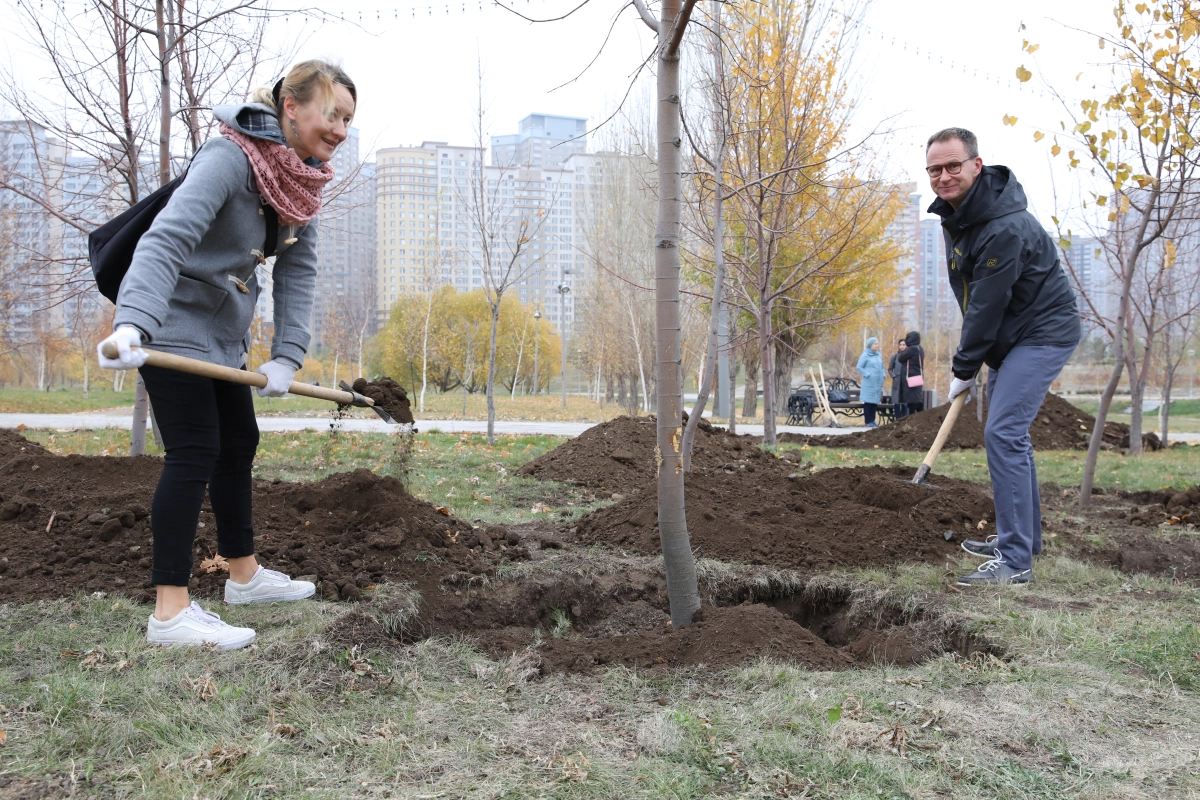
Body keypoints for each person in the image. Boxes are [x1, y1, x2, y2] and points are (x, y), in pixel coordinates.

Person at [97, 60, 357, 648]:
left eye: (348, 119)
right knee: (195, 450)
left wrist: (286, 356)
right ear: (291, 106)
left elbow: (300, 272)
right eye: (332, 113)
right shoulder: (229, 158)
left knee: (239, 442)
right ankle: (170, 613)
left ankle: (243, 577)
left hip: (223, 335)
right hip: (171, 323)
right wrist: (134, 322)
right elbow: (167, 238)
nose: (340, 128)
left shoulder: (304, 181)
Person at [925, 127, 1081, 586]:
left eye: (954, 165)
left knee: (1004, 433)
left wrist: (964, 367)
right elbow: (977, 300)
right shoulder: (965, 216)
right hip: (1013, 337)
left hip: (1042, 334)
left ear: (977, 164)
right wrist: (976, 359)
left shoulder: (1002, 226)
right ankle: (1024, 539)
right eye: (934, 169)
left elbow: (987, 304)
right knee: (1011, 435)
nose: (944, 176)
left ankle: (1014, 561)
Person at [855, 337, 885, 427]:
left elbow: (882, 367)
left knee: (874, 402)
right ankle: (868, 421)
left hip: (878, 383)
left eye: (877, 344)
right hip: (869, 383)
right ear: (870, 345)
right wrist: (868, 374)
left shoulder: (878, 355)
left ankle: (873, 420)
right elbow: (859, 367)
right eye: (875, 344)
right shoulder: (865, 355)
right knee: (868, 402)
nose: (877, 345)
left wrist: (883, 375)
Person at [894, 331, 925, 414]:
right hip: (918, 376)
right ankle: (921, 416)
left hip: (910, 377)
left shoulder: (912, 349)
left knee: (911, 399)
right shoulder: (920, 348)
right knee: (917, 398)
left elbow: (901, 358)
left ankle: (912, 417)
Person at [888, 338, 908, 418]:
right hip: (897, 382)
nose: (902, 347)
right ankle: (897, 420)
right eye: (900, 345)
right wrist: (894, 376)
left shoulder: (908, 357)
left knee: (905, 404)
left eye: (904, 345)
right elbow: (890, 369)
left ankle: (904, 420)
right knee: (896, 403)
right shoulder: (895, 356)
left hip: (905, 382)